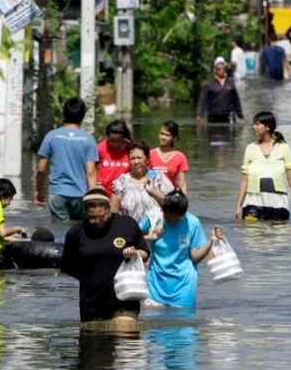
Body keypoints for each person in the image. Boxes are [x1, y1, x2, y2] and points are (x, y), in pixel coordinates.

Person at [61, 187, 150, 327]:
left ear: (109, 209)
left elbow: (145, 253)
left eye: (101, 217)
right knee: (94, 346)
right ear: (85, 212)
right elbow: (69, 267)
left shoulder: (127, 225)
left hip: (124, 298)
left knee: (125, 335)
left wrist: (135, 253)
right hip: (91, 302)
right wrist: (92, 277)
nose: (97, 221)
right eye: (92, 218)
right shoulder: (75, 233)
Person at [147, 189, 217, 308]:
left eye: (172, 217)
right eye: (165, 214)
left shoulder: (193, 223)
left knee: (183, 324)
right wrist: (148, 237)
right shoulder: (153, 218)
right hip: (155, 288)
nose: (167, 218)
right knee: (154, 324)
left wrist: (211, 242)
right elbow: (131, 238)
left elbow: (195, 257)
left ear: (182, 214)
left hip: (184, 289)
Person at [36, 97, 99, 222]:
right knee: (80, 231)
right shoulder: (89, 139)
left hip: (57, 193)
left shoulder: (51, 136)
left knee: (60, 231)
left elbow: (41, 169)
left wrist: (39, 191)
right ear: (83, 116)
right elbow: (91, 172)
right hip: (80, 194)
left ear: (63, 113)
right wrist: (93, 197)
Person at [234, 111, 291, 222]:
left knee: (278, 237)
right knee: (253, 236)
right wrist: (238, 206)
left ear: (267, 127)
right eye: (254, 124)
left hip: (278, 202)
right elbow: (244, 180)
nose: (253, 127)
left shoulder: (283, 148)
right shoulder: (250, 148)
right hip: (253, 202)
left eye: (257, 124)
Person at [112, 140, 174, 225]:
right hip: (130, 233)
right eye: (132, 158)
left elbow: (173, 205)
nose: (136, 162)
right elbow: (114, 212)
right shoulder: (122, 181)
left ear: (147, 159)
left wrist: (153, 192)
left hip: (157, 233)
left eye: (139, 158)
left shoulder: (159, 178)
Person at [196, 57, 244, 124]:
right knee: (214, 133)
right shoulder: (209, 85)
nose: (221, 70)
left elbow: (236, 100)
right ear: (215, 70)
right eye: (219, 69)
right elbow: (202, 101)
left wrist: (240, 116)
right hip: (213, 116)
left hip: (229, 116)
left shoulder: (230, 83)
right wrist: (200, 115)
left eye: (223, 69)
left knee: (230, 133)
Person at [148, 120, 189, 194]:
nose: (163, 137)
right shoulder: (149, 155)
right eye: (161, 134)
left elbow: (182, 183)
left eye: (167, 135)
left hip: (171, 198)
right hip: (153, 197)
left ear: (174, 138)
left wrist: (184, 200)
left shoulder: (180, 157)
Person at [97, 120, 131, 196]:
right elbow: (92, 168)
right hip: (104, 193)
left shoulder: (131, 149)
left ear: (124, 138)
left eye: (119, 141)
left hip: (125, 193)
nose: (115, 144)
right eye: (112, 141)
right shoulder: (101, 148)